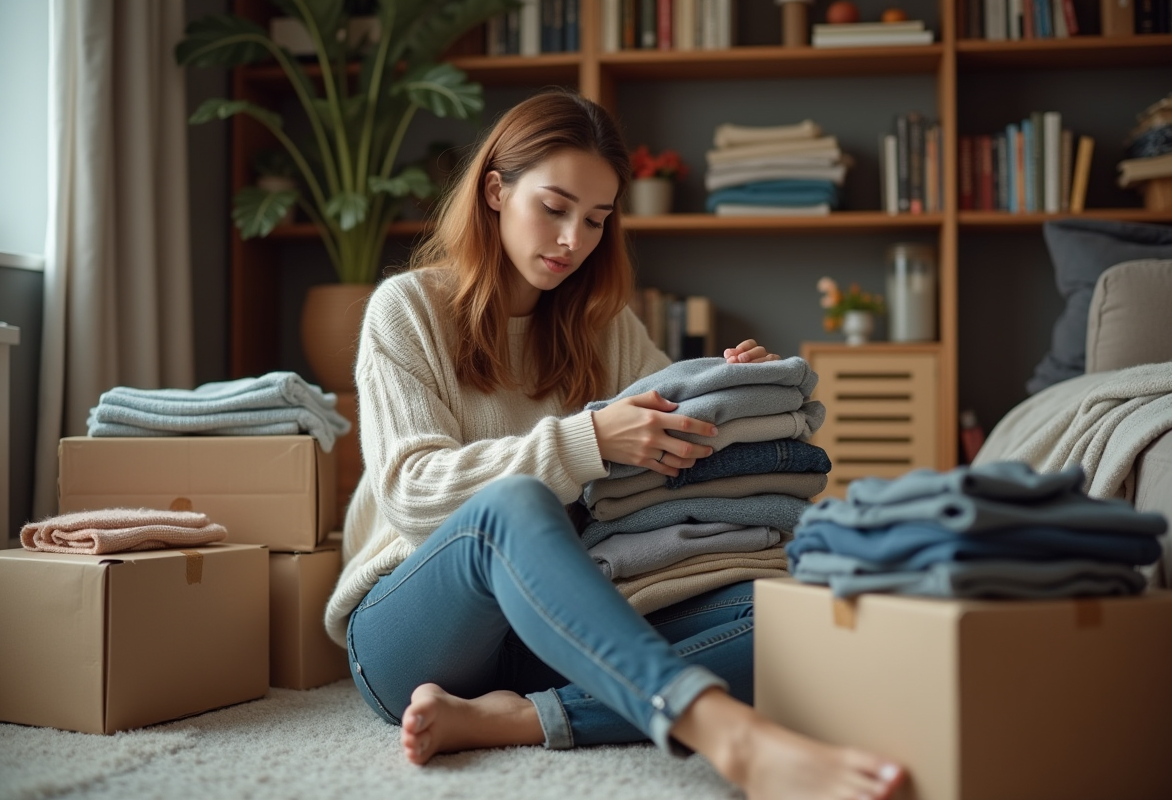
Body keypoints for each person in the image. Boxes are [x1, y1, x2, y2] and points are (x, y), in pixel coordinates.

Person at [324, 88, 905, 800]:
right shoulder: (407, 309)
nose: (574, 239)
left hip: (566, 631)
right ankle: (727, 734)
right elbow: (412, 495)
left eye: (597, 220)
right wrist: (589, 439)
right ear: (496, 192)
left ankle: (524, 719)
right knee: (515, 505)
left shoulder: (605, 328)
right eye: (555, 208)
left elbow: (673, 453)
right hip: (419, 632)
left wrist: (724, 394)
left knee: (798, 617)